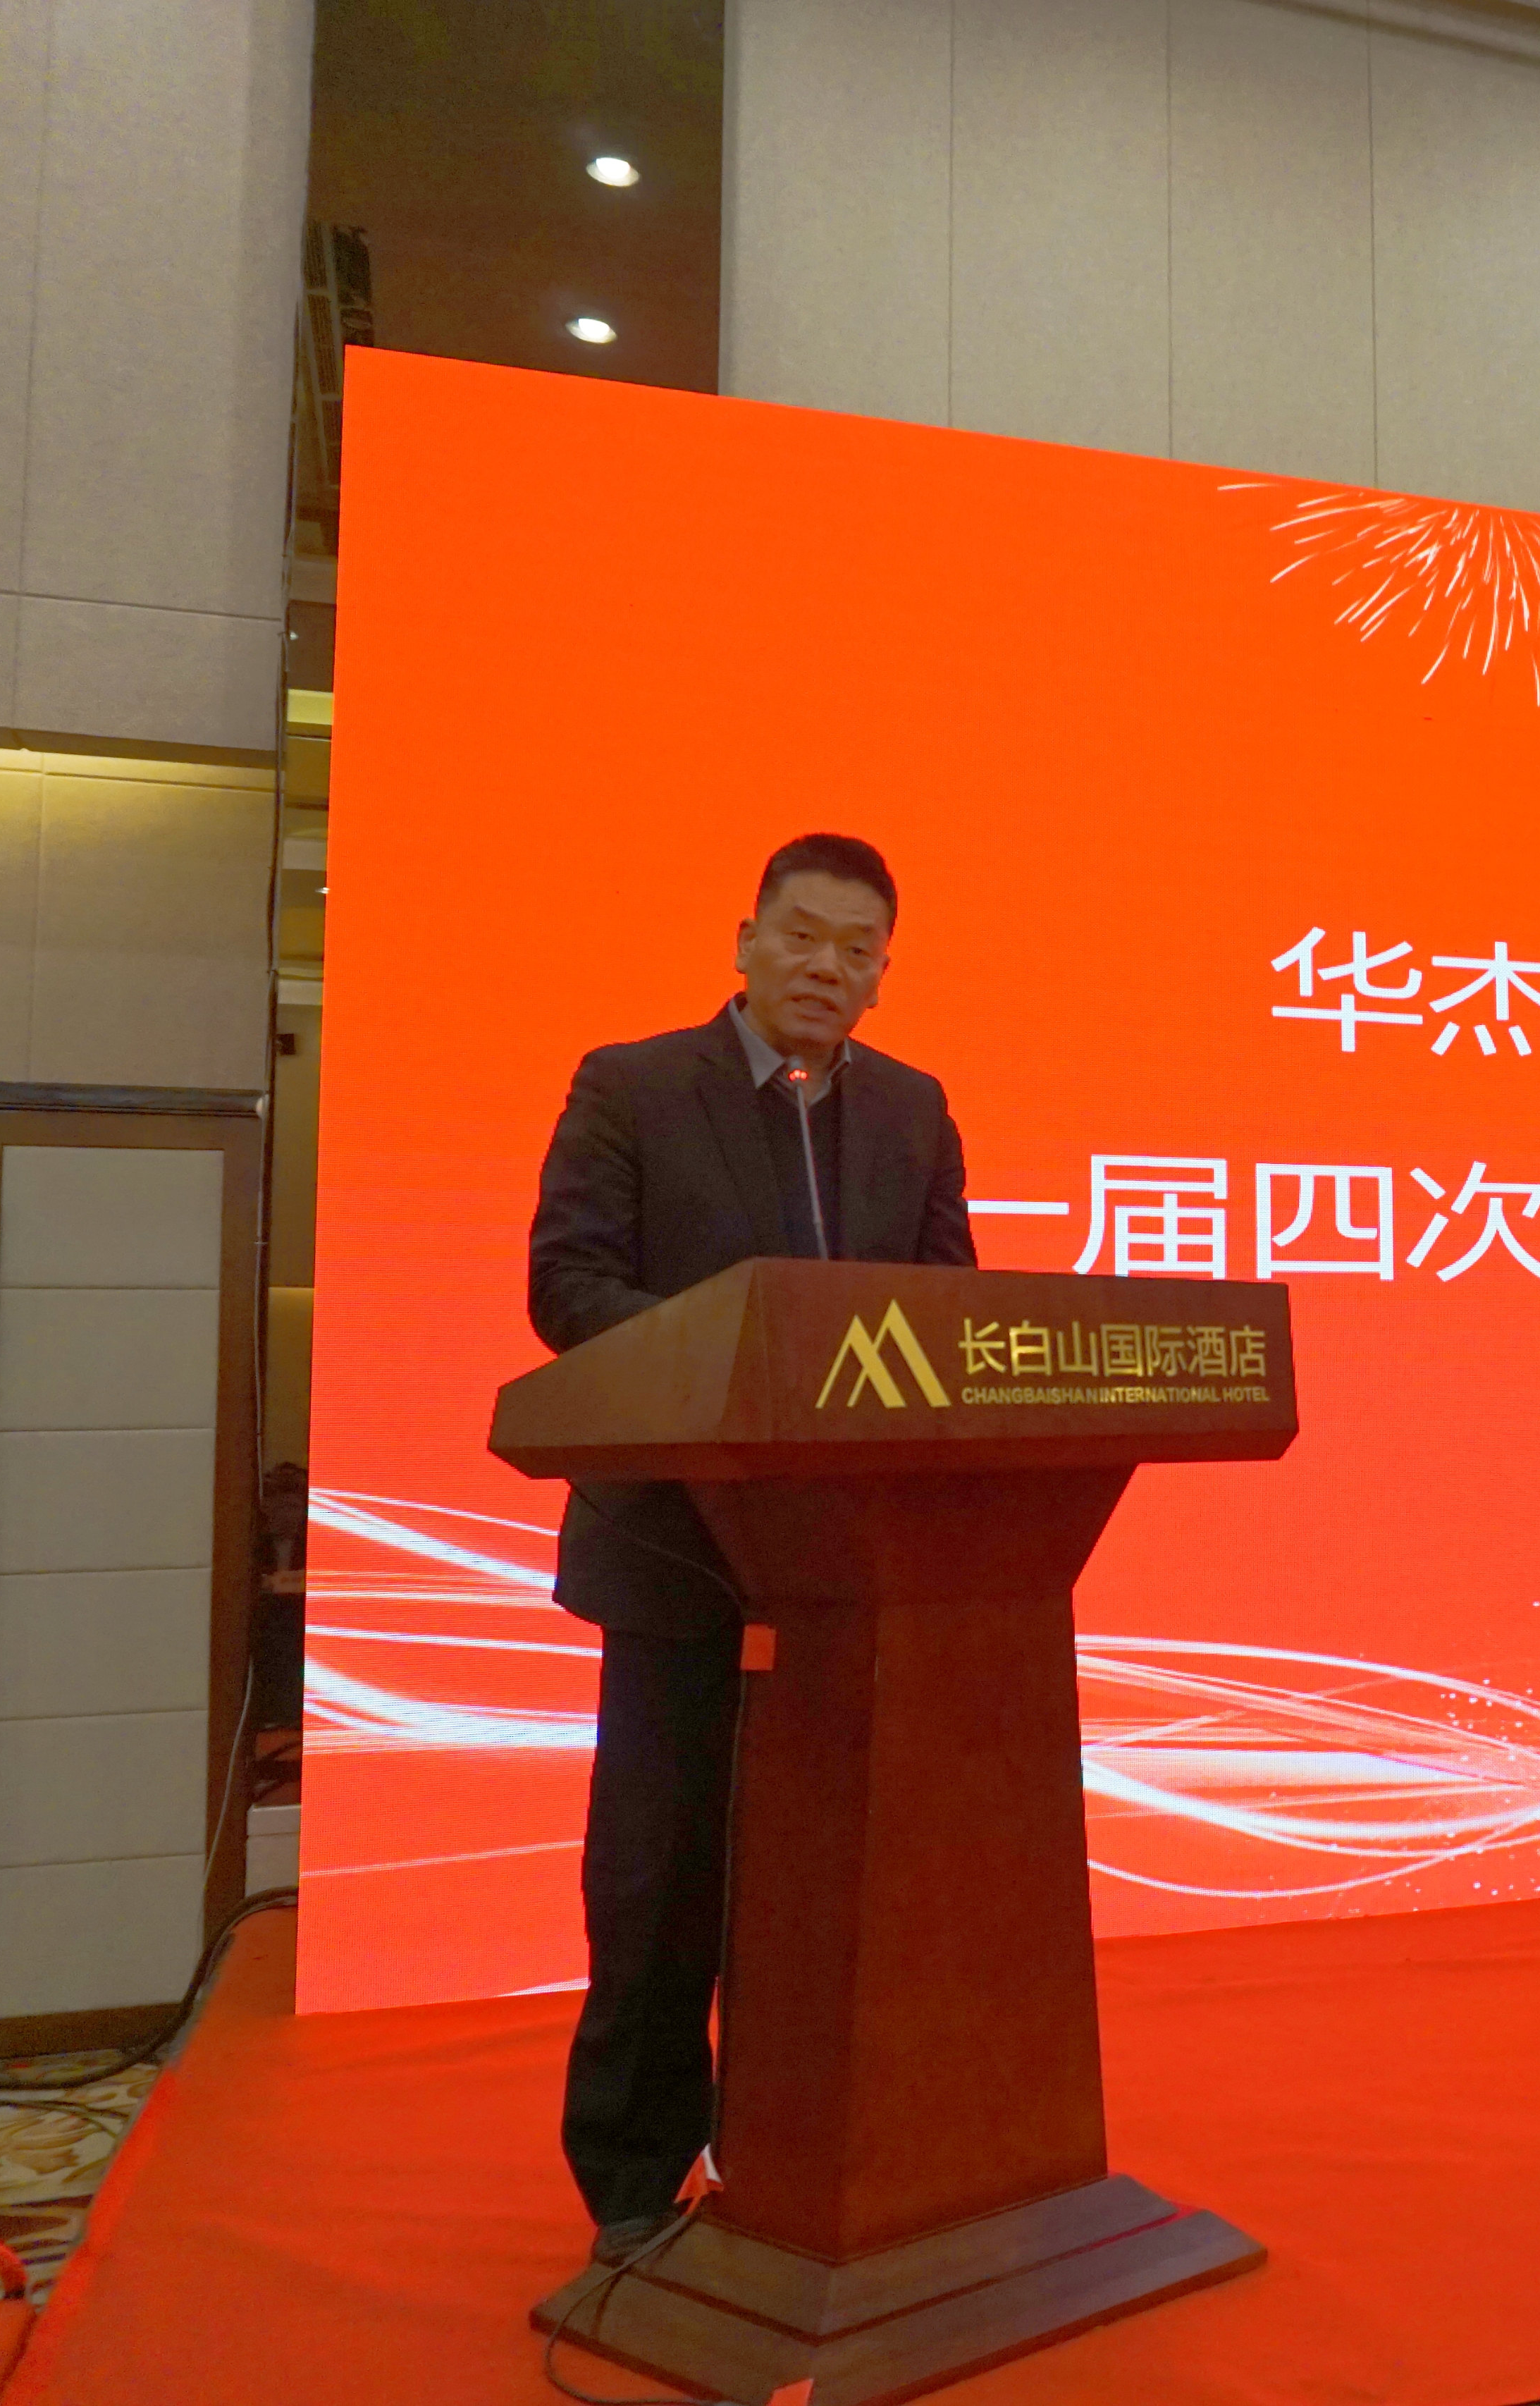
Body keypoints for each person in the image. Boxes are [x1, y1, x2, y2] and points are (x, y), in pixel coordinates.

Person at [524, 832, 973, 2264]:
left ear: (882, 976)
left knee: (829, 1889)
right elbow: (567, 1287)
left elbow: (950, 1309)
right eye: (802, 936)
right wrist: (742, 1362)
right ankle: (635, 2187)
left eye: (857, 950)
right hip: (678, 1552)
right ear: (745, 941)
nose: (825, 968)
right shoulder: (634, 1085)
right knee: (659, 1878)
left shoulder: (912, 1110)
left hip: (850, 1571)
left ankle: (811, 2159)